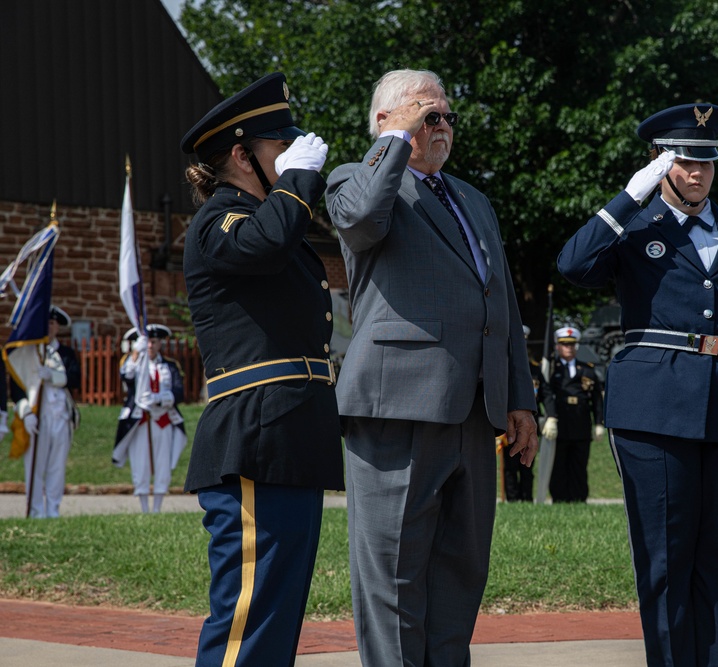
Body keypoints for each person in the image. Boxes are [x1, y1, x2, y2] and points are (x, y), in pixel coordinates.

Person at [557, 103, 718, 665]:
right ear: (661, 162)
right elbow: (572, 265)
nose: (698, 173)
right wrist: (627, 200)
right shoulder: (632, 226)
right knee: (664, 555)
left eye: (707, 162)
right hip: (654, 410)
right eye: (685, 162)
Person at [325, 68, 538, 665]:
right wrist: (395, 141)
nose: (441, 126)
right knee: (393, 577)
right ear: (386, 122)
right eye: (428, 115)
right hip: (397, 407)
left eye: (446, 116)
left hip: (474, 411)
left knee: (459, 574)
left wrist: (519, 398)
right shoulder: (356, 179)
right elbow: (364, 221)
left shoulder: (473, 199)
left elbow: (500, 305)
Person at [180, 71, 345, 667]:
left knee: (276, 618)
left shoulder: (274, 223)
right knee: (247, 617)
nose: (295, 154)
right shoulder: (219, 221)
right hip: (255, 435)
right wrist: (299, 181)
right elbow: (266, 244)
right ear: (240, 154)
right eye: (281, 145)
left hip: (292, 434)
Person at [11, 306, 80, 518]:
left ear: (57, 327)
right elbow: (16, 387)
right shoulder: (28, 353)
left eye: (52, 323)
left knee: (56, 467)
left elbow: (75, 379)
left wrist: (52, 376)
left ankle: (53, 509)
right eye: (45, 323)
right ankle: (35, 510)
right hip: (36, 416)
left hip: (60, 416)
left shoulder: (65, 353)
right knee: (35, 466)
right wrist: (25, 413)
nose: (49, 327)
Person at [112, 325, 186, 514]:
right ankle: (144, 508)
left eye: (154, 341)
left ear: (160, 343)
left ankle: (158, 507)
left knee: (162, 461)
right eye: (147, 342)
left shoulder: (169, 366)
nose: (151, 345)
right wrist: (136, 352)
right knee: (140, 461)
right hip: (140, 419)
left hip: (163, 419)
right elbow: (126, 377)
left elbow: (179, 391)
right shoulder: (132, 362)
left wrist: (161, 399)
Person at [541, 326, 605, 503]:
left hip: (581, 425)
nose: (568, 348)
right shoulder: (552, 371)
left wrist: (599, 423)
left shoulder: (587, 370)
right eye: (564, 345)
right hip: (560, 424)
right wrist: (550, 417)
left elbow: (596, 400)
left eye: (571, 345)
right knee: (559, 465)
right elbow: (546, 394)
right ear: (558, 347)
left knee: (579, 465)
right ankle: (560, 499)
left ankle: (579, 498)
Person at [502, 325, 541, 502]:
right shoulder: (502, 368)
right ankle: (512, 499)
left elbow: (545, 393)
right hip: (507, 425)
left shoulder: (534, 369)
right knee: (509, 466)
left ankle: (527, 499)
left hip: (528, 423)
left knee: (527, 465)